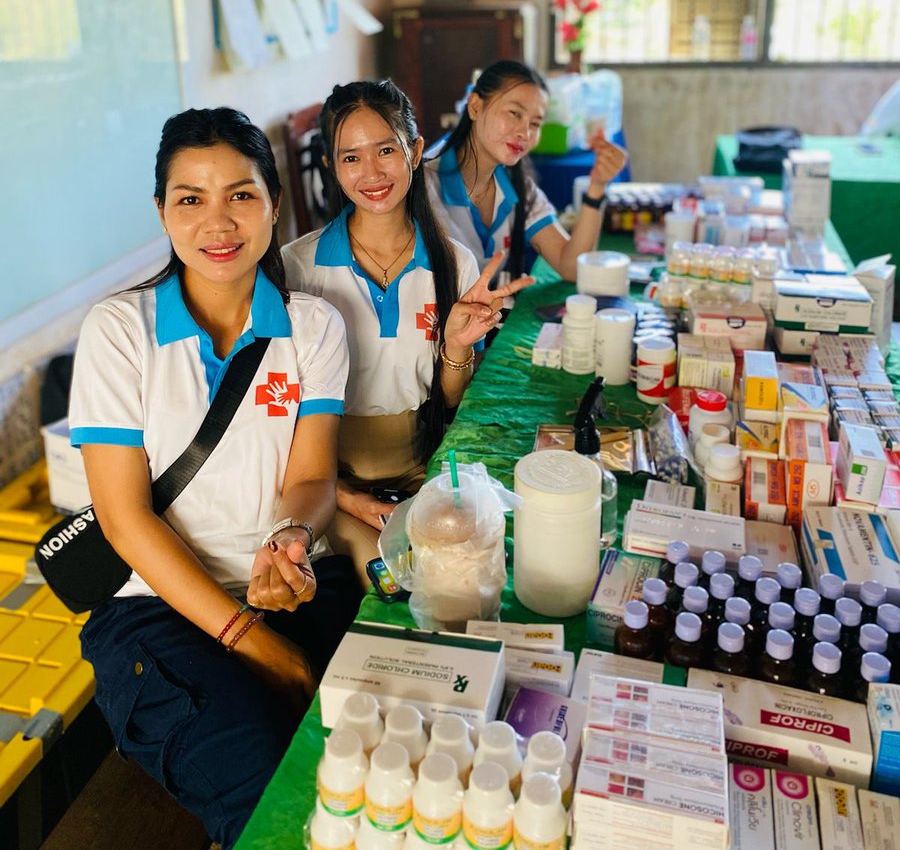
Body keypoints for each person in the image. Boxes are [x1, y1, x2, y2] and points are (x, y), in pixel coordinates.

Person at [69, 108, 358, 850]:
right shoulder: (119, 331)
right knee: (271, 795)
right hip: (155, 611)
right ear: (162, 211)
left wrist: (290, 540)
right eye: (190, 199)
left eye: (241, 194)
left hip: (289, 584)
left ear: (274, 203)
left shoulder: (314, 327)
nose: (217, 222)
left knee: (388, 748)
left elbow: (312, 475)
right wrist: (260, 645)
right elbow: (126, 521)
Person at [282, 80, 532, 581]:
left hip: (422, 474)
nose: (371, 173)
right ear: (330, 167)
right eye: (350, 158)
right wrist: (342, 495)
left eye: (386, 150)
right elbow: (280, 412)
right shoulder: (298, 268)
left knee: (473, 567)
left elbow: (449, 393)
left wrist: (458, 347)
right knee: (388, 580)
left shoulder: (454, 264)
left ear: (415, 152)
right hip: (329, 484)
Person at [424, 61, 628, 282]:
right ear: (475, 106)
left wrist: (597, 187)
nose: (525, 132)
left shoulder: (517, 185)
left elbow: (572, 267)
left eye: (535, 123)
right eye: (514, 113)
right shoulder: (423, 184)